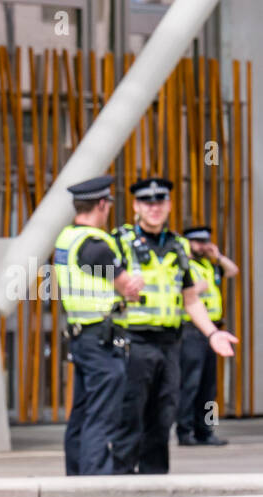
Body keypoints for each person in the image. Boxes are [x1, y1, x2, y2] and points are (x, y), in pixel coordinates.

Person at [111, 177, 237, 474]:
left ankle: (154, 483)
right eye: (147, 202)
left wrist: (213, 332)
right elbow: (97, 284)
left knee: (163, 414)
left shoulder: (179, 245)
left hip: (170, 343)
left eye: (160, 202)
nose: (154, 209)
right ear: (135, 206)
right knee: (131, 412)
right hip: (134, 340)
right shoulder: (119, 241)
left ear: (168, 206)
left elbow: (191, 300)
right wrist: (119, 292)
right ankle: (120, 481)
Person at [51, 176, 145, 476]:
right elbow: (129, 288)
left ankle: (77, 474)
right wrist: (135, 284)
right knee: (102, 413)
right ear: (102, 205)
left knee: (81, 411)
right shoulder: (95, 246)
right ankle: (95, 478)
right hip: (99, 340)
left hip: (80, 337)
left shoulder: (66, 239)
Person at [177, 224, 239, 446]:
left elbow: (233, 270)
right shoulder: (183, 266)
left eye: (206, 242)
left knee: (209, 386)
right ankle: (185, 432)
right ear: (188, 243)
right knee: (190, 383)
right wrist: (196, 288)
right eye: (198, 242)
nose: (203, 246)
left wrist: (218, 256)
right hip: (191, 330)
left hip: (213, 331)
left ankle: (207, 430)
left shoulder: (209, 266)